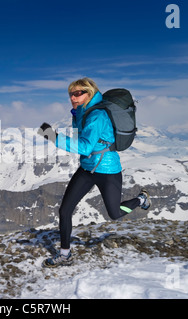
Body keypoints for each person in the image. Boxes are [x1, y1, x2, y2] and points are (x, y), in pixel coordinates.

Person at [38, 77, 151, 268]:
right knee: (65, 210)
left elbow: (85, 146)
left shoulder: (97, 115)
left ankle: (141, 199)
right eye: (70, 94)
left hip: (107, 170)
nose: (73, 97)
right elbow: (80, 138)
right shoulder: (81, 112)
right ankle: (65, 255)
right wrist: (75, 116)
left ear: (89, 93)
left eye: (77, 93)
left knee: (114, 213)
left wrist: (53, 136)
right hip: (88, 168)